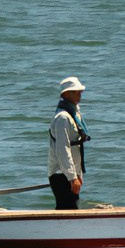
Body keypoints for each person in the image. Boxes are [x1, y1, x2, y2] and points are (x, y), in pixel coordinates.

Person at [48, 76, 89, 208]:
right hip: (61, 174)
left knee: (71, 208)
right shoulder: (62, 118)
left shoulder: (74, 113)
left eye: (80, 92)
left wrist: (78, 174)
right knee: (67, 209)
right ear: (66, 94)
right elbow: (62, 150)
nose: (79, 95)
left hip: (69, 172)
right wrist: (72, 178)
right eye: (76, 92)